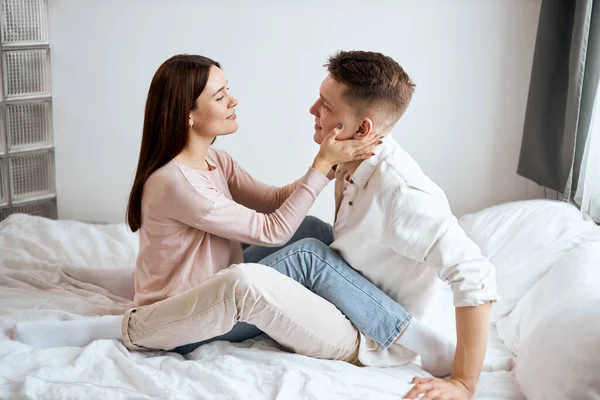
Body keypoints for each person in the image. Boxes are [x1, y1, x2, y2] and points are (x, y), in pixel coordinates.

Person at [14, 54, 455, 381]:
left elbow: (276, 202)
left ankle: (356, 309)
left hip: (214, 286)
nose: (234, 99)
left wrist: (330, 163)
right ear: (188, 112)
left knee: (313, 231)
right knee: (306, 255)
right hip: (189, 318)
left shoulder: (215, 162)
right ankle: (404, 334)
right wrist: (322, 167)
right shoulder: (175, 182)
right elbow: (272, 229)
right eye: (220, 95)